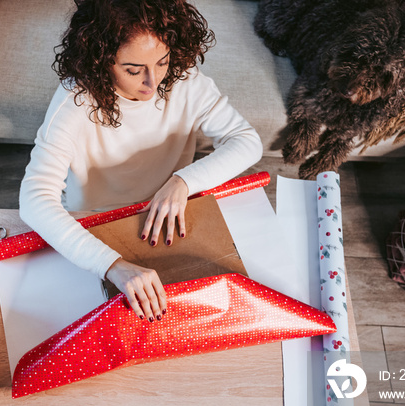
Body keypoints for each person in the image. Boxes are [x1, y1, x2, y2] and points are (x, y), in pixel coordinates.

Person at [19, 0, 262, 323]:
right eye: (133, 70)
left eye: (162, 62)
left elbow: (247, 142)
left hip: (166, 211)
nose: (153, 83)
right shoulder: (74, 101)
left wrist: (183, 181)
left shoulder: (185, 80)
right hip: (97, 219)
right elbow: (34, 200)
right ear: (100, 61)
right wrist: (113, 266)